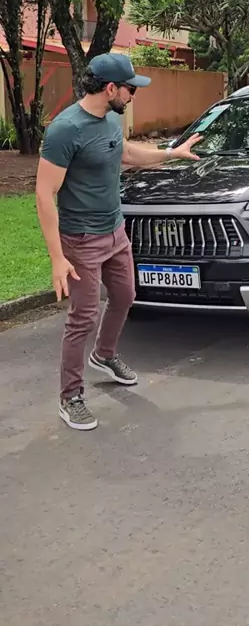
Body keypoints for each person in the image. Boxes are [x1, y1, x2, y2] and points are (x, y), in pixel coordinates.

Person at [36, 53, 201, 431]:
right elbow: (44, 194)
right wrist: (57, 258)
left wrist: (171, 153)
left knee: (126, 295)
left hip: (115, 230)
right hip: (81, 238)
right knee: (83, 316)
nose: (133, 95)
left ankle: (104, 355)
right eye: (130, 89)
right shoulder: (65, 130)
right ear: (110, 88)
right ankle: (70, 396)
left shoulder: (111, 120)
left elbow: (125, 153)